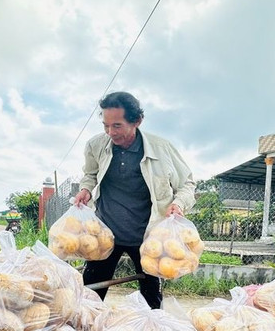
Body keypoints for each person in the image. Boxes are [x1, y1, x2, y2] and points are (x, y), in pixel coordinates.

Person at [73, 91, 196, 309]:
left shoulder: (162, 149)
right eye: (105, 126)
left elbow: (186, 183)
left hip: (147, 237)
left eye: (117, 125)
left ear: (137, 121)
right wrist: (86, 189)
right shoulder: (95, 145)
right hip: (105, 234)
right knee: (88, 296)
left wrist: (178, 204)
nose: (110, 132)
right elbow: (90, 174)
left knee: (152, 301)